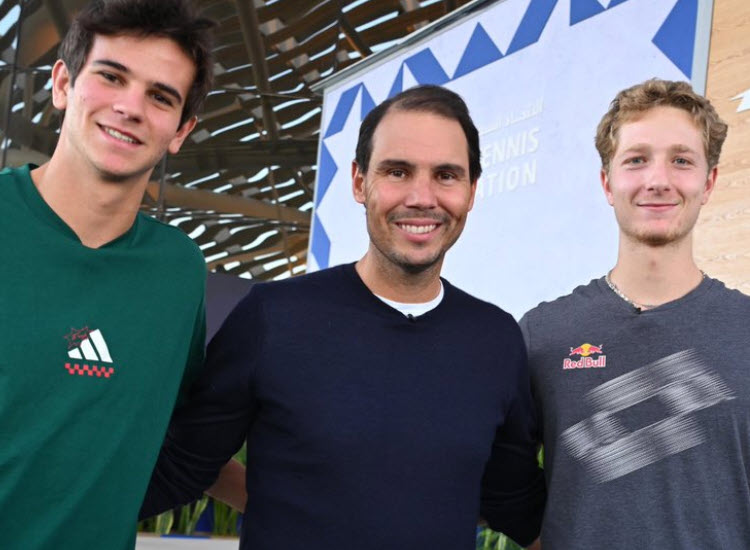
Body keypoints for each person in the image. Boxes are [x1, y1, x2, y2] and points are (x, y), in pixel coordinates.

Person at [140, 85, 546, 549]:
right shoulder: (273, 318)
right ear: (358, 181)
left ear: (471, 191)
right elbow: (186, 463)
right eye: (397, 171)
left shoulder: (495, 339)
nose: (422, 197)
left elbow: (513, 496)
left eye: (446, 175)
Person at [0, 1, 216, 548]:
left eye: (160, 96)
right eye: (111, 77)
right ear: (63, 84)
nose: (129, 107)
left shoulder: (178, 273)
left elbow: (181, 433)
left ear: (181, 131)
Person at [520, 79, 749, 548]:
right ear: (608, 183)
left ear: (708, 183)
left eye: (681, 160)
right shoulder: (542, 336)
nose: (658, 180)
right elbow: (501, 480)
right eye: (637, 159)